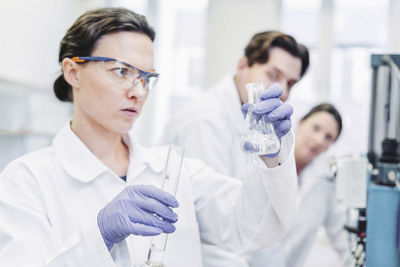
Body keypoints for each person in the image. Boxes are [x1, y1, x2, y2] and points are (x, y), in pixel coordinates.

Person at [0, 8, 298, 267]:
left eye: (146, 78)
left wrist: (270, 155)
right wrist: (99, 236)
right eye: (121, 71)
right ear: (73, 72)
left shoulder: (174, 169)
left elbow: (253, 227)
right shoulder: (27, 180)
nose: (138, 91)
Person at [161, 31, 309, 266]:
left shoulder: (255, 124)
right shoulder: (204, 121)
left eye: (290, 83)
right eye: (273, 75)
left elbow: (265, 214)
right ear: (243, 66)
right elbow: (214, 230)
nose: (283, 91)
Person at [250, 103, 352, 267]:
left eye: (328, 137)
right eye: (316, 128)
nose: (319, 140)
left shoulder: (325, 184)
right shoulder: (265, 159)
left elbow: (343, 239)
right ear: (301, 122)